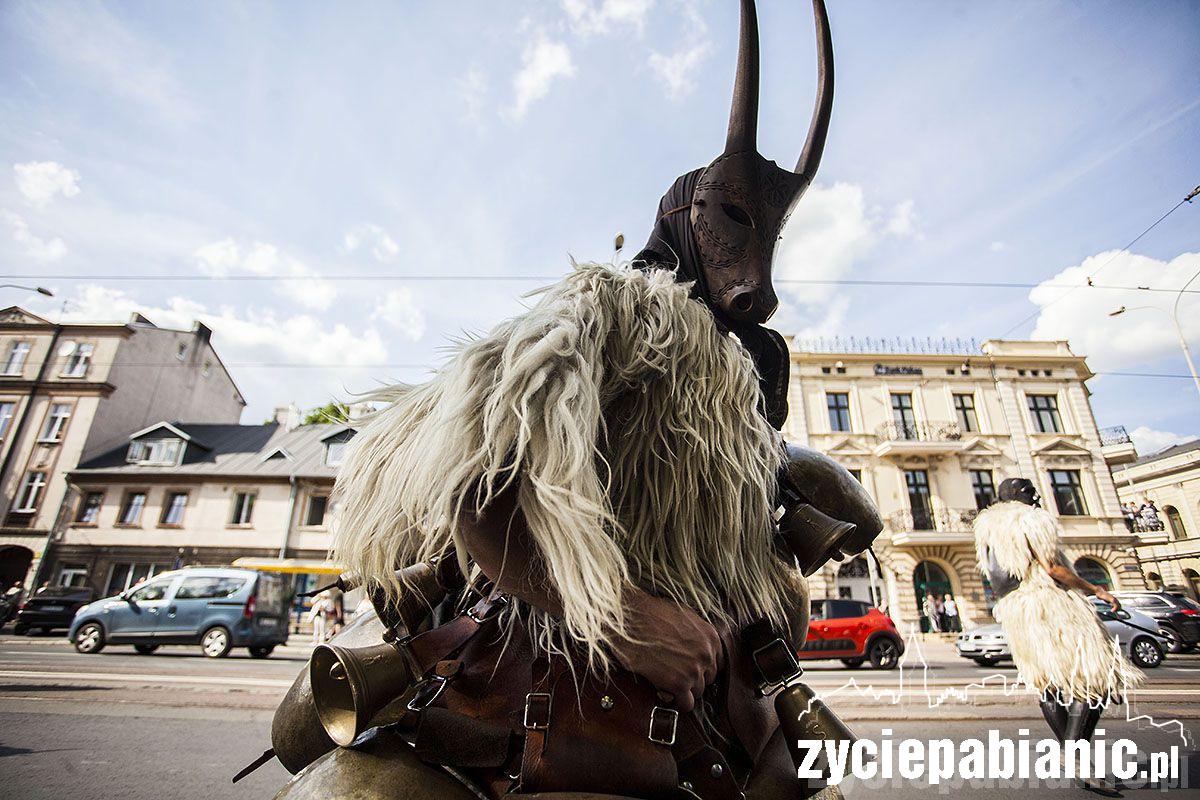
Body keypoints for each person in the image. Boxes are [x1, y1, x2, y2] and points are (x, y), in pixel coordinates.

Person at [269, 2, 875, 798]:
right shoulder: (617, 311)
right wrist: (625, 618)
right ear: (690, 218)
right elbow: (473, 480)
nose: (758, 268)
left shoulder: (743, 379)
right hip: (554, 665)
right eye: (734, 219)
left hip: (716, 702)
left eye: (772, 235)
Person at [973, 478, 1142, 796]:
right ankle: (1073, 751)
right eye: (1030, 491)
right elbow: (1052, 568)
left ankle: (1076, 758)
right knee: (1095, 677)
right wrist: (1096, 590)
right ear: (1019, 496)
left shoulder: (988, 530)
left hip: (1016, 611)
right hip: (1050, 604)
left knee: (1047, 684)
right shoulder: (1030, 519)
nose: (1037, 495)